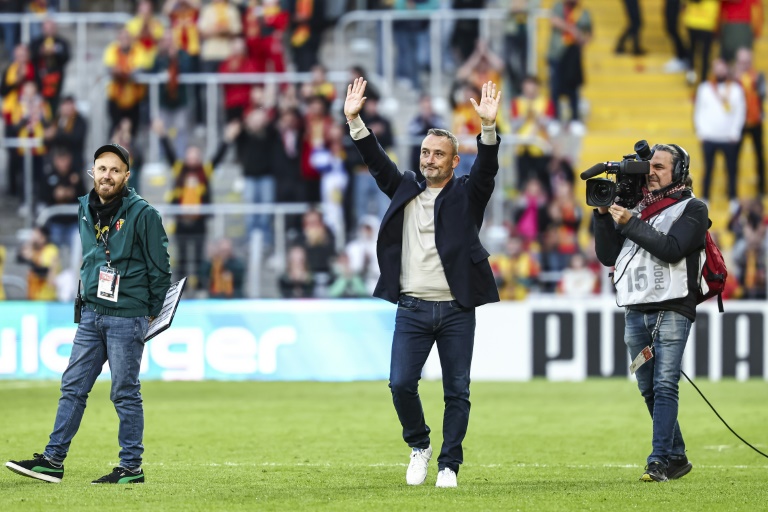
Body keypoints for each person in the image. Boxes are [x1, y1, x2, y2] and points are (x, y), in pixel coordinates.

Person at [344, 77, 501, 488]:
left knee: (457, 391)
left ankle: (449, 464)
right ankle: (420, 445)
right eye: (426, 152)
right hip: (412, 308)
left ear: (454, 161)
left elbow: (487, 170)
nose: (430, 159)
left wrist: (487, 129)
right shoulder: (406, 187)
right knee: (400, 384)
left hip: (456, 310)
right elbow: (376, 162)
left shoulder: (468, 194)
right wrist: (355, 121)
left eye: (439, 154)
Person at [5, 142, 172, 484]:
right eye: (101, 168)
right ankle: (53, 461)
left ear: (127, 175)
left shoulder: (144, 214)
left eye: (114, 169)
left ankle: (131, 468)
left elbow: (161, 269)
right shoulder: (84, 207)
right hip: (92, 312)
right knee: (72, 386)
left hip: (128, 314)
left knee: (124, 391)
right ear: (91, 173)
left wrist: (150, 312)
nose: (107, 175)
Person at [592, 143, 707, 482]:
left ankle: (657, 462)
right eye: (649, 166)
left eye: (659, 167)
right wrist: (602, 216)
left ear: (679, 172)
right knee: (648, 388)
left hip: (673, 306)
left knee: (665, 383)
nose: (651, 172)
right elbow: (607, 255)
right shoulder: (635, 206)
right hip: (636, 307)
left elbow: (671, 250)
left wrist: (629, 223)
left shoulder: (693, 208)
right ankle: (677, 456)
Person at [693, 58, 745, 204]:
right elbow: (699, 111)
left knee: (732, 169)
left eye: (723, 68)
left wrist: (735, 132)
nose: (720, 71)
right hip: (709, 136)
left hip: (729, 137)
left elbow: (740, 111)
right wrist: (701, 132)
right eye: (717, 68)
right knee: (708, 169)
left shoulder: (735, 88)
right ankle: (705, 198)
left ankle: (733, 199)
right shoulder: (704, 88)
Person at [17, 225, 60, 300]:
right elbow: (19, 258)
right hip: (33, 297)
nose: (32, 238)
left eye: (35, 235)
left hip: (46, 298)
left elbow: (43, 270)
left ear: (43, 238)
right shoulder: (35, 250)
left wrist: (31, 260)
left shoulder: (50, 250)